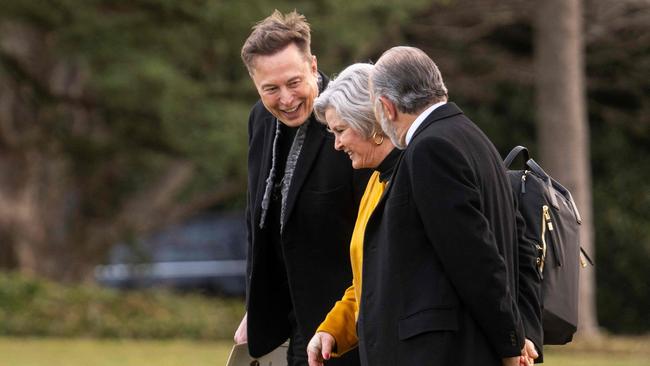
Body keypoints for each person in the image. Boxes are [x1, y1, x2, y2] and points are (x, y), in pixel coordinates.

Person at [356, 46, 541, 366]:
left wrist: (510, 343)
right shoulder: (473, 137)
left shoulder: (430, 149)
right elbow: (520, 243)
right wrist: (520, 332)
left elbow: (474, 258)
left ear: (386, 106)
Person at [236, 10, 368, 366]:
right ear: (255, 84)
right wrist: (256, 306)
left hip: (349, 330)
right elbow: (256, 221)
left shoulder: (352, 119)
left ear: (313, 66)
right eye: (271, 89)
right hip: (289, 325)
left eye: (294, 83)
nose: (286, 99)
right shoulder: (259, 120)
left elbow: (376, 230)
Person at [303, 63, 400, 366]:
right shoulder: (375, 181)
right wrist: (332, 330)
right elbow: (368, 281)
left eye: (341, 131)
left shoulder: (412, 177)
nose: (337, 144)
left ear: (371, 123)